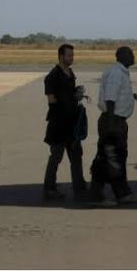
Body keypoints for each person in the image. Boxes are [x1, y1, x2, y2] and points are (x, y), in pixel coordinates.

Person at [89, 46, 137, 207]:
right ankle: (115, 194)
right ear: (122, 56)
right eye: (131, 54)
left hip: (113, 119)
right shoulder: (116, 73)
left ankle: (104, 193)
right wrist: (111, 124)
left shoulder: (119, 72)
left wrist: (135, 96)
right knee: (113, 157)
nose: (133, 57)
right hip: (113, 121)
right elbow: (110, 98)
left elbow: (116, 95)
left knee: (109, 157)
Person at [42, 44, 87, 201]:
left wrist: (77, 95)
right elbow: (52, 101)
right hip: (58, 124)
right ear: (61, 56)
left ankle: (79, 187)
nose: (72, 58)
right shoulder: (53, 76)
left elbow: (69, 94)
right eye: (69, 55)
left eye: (72, 55)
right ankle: (49, 188)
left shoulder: (70, 73)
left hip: (72, 123)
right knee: (56, 156)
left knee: (76, 156)